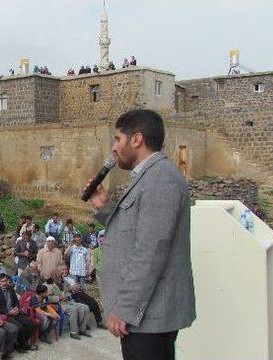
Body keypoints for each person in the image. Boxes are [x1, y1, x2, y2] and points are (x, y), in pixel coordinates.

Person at [84, 109, 195, 360]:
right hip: (145, 318)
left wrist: (124, 309)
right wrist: (105, 207)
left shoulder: (160, 179)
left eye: (117, 139)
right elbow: (133, 231)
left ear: (136, 139)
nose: (113, 148)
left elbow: (151, 251)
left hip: (149, 317)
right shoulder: (148, 177)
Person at [0, 273, 38, 352]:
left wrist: (17, 308)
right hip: (6, 314)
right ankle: (21, 346)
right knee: (20, 327)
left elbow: (16, 301)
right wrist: (8, 312)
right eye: (2, 281)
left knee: (30, 323)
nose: (5, 283)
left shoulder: (10, 288)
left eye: (6, 281)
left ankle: (23, 342)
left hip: (15, 312)